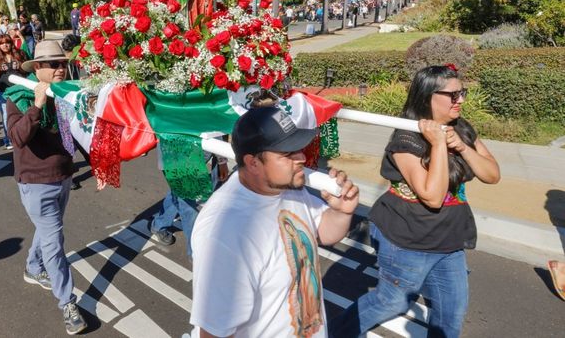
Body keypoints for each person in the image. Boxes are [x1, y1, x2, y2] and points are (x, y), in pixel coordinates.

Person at [329, 65, 501, 338]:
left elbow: (492, 175)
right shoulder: (405, 137)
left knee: (451, 312)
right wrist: (439, 144)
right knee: (391, 301)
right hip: (408, 239)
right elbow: (432, 197)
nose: (461, 100)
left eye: (462, 92)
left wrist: (462, 146)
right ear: (427, 97)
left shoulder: (462, 128)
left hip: (450, 239)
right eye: (453, 95)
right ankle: (333, 333)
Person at [190, 106, 359, 337]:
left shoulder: (288, 187)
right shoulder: (224, 231)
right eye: (287, 153)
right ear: (253, 164)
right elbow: (214, 331)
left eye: (299, 148)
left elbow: (322, 232)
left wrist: (342, 212)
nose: (301, 158)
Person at [5, 40, 87, 335]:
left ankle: (32, 266)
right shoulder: (18, 95)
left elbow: (73, 132)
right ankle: (67, 303)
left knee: (48, 229)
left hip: (63, 174)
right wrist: (37, 105)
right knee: (55, 241)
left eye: (63, 63)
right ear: (37, 68)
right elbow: (17, 138)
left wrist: (95, 160)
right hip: (36, 181)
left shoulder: (64, 93)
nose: (60, 68)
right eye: (53, 64)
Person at [0, 35, 27, 150]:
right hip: (2, 92)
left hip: (20, 89)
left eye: (7, 42)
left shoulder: (20, 54)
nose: (5, 45)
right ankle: (9, 139)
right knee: (6, 116)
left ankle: (23, 136)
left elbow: (28, 69)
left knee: (23, 113)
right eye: (2, 43)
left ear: (11, 43)